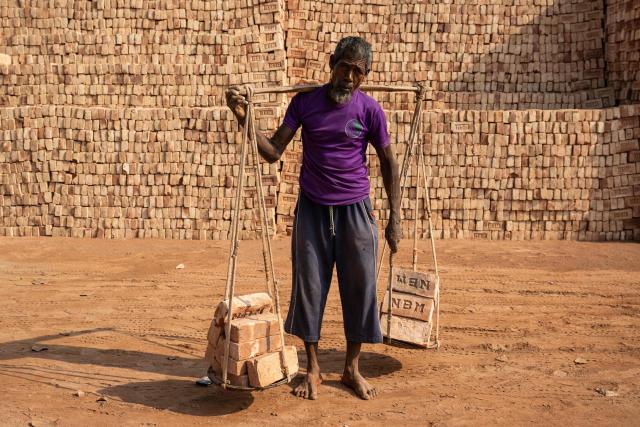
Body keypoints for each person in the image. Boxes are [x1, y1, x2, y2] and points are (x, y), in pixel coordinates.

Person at [225, 36, 401, 400]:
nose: (349, 77)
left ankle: (352, 368)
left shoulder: (370, 110)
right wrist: (243, 119)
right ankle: (314, 369)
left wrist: (394, 218)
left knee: (361, 286)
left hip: (355, 209)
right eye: (344, 67)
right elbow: (273, 151)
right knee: (309, 287)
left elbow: (388, 162)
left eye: (358, 72)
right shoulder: (305, 103)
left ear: (364, 76)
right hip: (313, 209)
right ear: (331, 62)